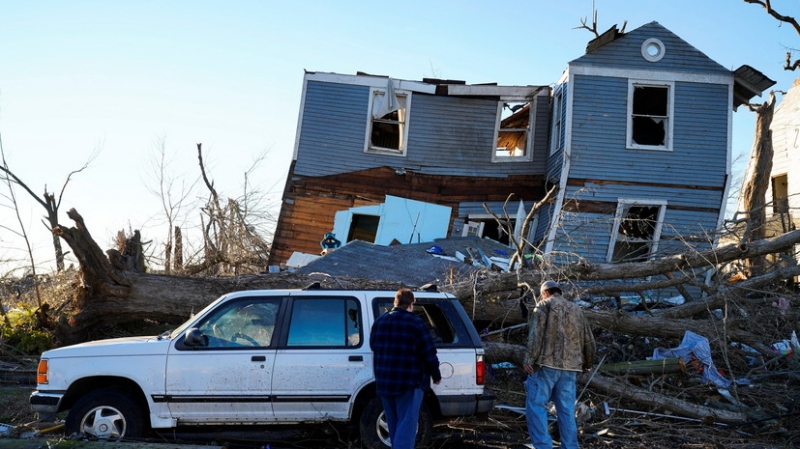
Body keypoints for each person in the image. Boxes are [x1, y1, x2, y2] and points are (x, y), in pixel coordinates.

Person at [523, 280, 595, 449]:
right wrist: (588, 363)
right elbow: (589, 340)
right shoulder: (577, 309)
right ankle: (570, 446)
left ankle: (543, 446)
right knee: (567, 410)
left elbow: (536, 335)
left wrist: (528, 359)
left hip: (546, 365)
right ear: (559, 292)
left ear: (545, 293)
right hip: (571, 368)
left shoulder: (543, 305)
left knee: (536, 406)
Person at [370, 288, 442, 449]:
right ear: (411, 304)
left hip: (385, 381)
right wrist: (436, 374)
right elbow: (429, 352)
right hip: (410, 381)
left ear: (395, 302)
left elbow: (374, 346)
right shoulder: (416, 323)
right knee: (407, 425)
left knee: (394, 424)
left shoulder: (379, 322)